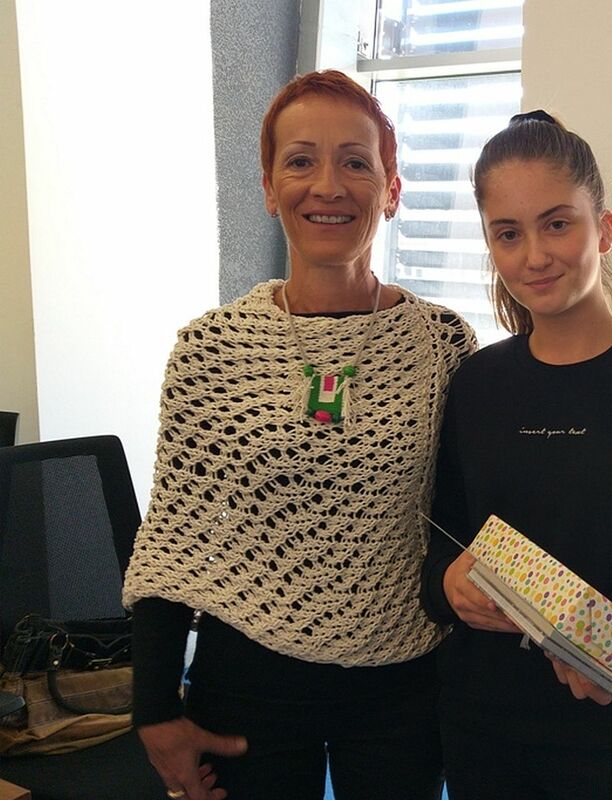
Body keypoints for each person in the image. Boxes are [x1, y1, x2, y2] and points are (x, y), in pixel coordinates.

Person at [122, 70, 475, 800]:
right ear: (268, 187)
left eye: (355, 162)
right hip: (245, 692)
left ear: (391, 190)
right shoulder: (211, 349)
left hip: (402, 691)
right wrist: (153, 708)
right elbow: (174, 538)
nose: (327, 186)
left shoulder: (443, 345)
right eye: (301, 160)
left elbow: (463, 527)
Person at [420, 111, 612, 800]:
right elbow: (441, 541)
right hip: (484, 727)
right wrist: (448, 585)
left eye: (557, 224)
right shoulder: (476, 385)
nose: (534, 255)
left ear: (604, 229)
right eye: (508, 233)